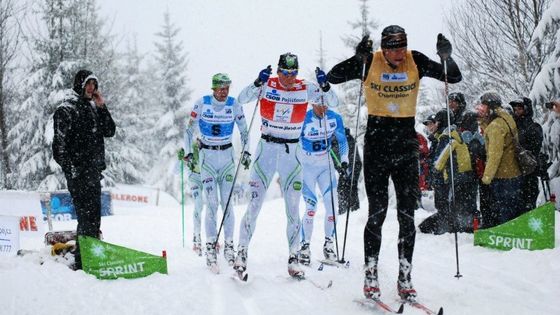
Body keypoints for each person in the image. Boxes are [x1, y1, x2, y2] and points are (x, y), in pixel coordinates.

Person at [326, 25, 462, 300]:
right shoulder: (370, 61)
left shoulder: (416, 59)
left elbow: (454, 77)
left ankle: (405, 274)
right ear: (384, 48)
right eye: (394, 49)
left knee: (407, 215)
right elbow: (333, 77)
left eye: (403, 47)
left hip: (405, 145)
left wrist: (446, 57)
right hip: (377, 144)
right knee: (377, 212)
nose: (400, 54)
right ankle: (371, 272)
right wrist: (358, 59)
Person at [234, 52, 339, 278]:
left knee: (293, 208)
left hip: (292, 152)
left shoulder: (305, 88)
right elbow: (241, 100)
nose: (289, 78)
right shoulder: (267, 84)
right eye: (285, 73)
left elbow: (334, 103)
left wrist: (326, 86)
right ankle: (241, 251)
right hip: (267, 149)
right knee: (254, 204)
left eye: (293, 73)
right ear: (278, 70)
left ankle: (293, 257)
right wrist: (256, 83)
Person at [184, 73, 250, 269]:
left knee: (228, 204)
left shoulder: (234, 104)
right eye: (221, 88)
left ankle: (229, 246)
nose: (224, 92)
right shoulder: (202, 104)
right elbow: (188, 131)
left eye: (227, 88)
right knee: (211, 203)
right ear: (213, 88)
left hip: (227, 158)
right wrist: (188, 153)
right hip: (208, 160)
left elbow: (244, 130)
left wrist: (246, 151)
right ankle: (211, 246)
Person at [52, 69, 116, 270]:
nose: (91, 88)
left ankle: (89, 255)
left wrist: (102, 106)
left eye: (94, 85)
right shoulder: (67, 109)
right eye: (88, 84)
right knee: (86, 218)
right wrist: (71, 170)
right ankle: (82, 260)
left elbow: (110, 131)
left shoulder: (93, 108)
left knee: (94, 218)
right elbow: (58, 147)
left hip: (93, 172)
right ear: (80, 85)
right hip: (78, 174)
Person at [299, 103, 349, 265]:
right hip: (307, 165)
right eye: (320, 105)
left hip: (325, 164)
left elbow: (342, 141)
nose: (324, 109)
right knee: (311, 207)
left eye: (326, 105)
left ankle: (329, 243)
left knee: (332, 206)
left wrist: (344, 160)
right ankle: (304, 246)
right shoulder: (303, 118)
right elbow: (293, 142)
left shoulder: (335, 118)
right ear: (313, 103)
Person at [475, 91, 522, 227]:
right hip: (513, 172)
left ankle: (506, 237)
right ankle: (512, 234)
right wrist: (484, 122)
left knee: (504, 210)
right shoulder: (506, 118)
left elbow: (494, 155)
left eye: (483, 107)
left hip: (503, 175)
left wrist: (486, 178)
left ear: (491, 108)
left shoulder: (495, 126)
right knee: (511, 208)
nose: (481, 110)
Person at [418, 111, 450, 234]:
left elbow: (439, 162)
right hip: (438, 179)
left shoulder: (442, 138)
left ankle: (443, 229)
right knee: (440, 205)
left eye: (431, 123)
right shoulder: (435, 139)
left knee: (443, 206)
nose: (429, 127)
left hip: (443, 179)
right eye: (427, 125)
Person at [510, 97, 543, 214]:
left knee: (528, 200)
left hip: (529, 171)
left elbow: (535, 149)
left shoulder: (534, 127)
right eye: (515, 109)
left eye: (520, 108)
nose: (516, 111)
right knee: (516, 202)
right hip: (514, 171)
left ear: (526, 109)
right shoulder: (512, 127)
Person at [332, 127, 362, 215]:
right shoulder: (334, 142)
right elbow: (335, 159)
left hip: (353, 165)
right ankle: (345, 209)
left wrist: (347, 169)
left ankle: (352, 209)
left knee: (349, 185)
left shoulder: (345, 139)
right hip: (346, 167)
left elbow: (351, 155)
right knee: (344, 186)